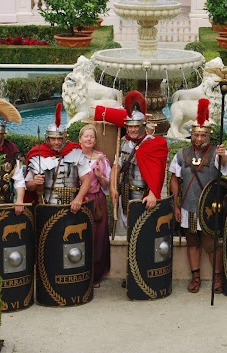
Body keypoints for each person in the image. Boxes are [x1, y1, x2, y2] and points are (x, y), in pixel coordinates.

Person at [109, 91, 169, 288]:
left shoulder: (154, 144)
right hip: (125, 196)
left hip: (143, 196)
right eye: (130, 126)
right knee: (130, 236)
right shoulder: (123, 143)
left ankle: (145, 273)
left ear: (143, 126)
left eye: (136, 126)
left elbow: (158, 172)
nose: (133, 130)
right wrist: (112, 187)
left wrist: (153, 193)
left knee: (144, 235)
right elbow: (116, 166)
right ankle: (131, 273)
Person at [168, 98, 227, 293]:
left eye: (203, 135)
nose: (199, 139)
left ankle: (217, 277)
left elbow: (224, 168)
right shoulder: (181, 154)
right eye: (196, 135)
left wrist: (223, 156)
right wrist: (176, 205)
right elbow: (174, 179)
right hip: (188, 208)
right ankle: (195, 277)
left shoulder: (216, 153)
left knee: (211, 245)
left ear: (208, 135)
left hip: (209, 209)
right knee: (192, 243)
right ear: (192, 135)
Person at [24, 103, 91, 213]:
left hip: (73, 206)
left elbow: (87, 180)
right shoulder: (38, 155)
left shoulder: (75, 152)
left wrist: (79, 199)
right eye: (53, 139)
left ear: (65, 138)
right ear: (48, 138)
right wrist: (35, 183)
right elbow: (28, 186)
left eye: (59, 139)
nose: (56, 142)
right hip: (47, 207)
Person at [79, 124, 112, 288]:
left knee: (98, 237)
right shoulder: (74, 157)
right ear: (80, 139)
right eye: (86, 136)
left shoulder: (101, 159)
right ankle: (78, 272)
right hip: (79, 200)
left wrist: (99, 176)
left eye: (92, 136)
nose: (89, 139)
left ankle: (95, 275)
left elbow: (107, 185)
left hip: (97, 201)